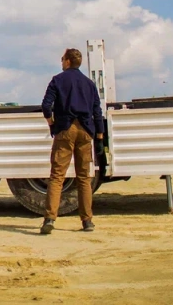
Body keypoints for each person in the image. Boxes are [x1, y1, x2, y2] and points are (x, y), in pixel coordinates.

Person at [40, 48, 105, 235]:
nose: (61, 62)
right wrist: (99, 137)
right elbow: (97, 111)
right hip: (85, 131)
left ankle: (50, 219)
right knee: (84, 178)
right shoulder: (89, 84)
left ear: (67, 61)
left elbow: (46, 105)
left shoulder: (58, 80)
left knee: (57, 176)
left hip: (65, 130)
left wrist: (51, 123)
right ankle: (87, 221)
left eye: (62, 59)